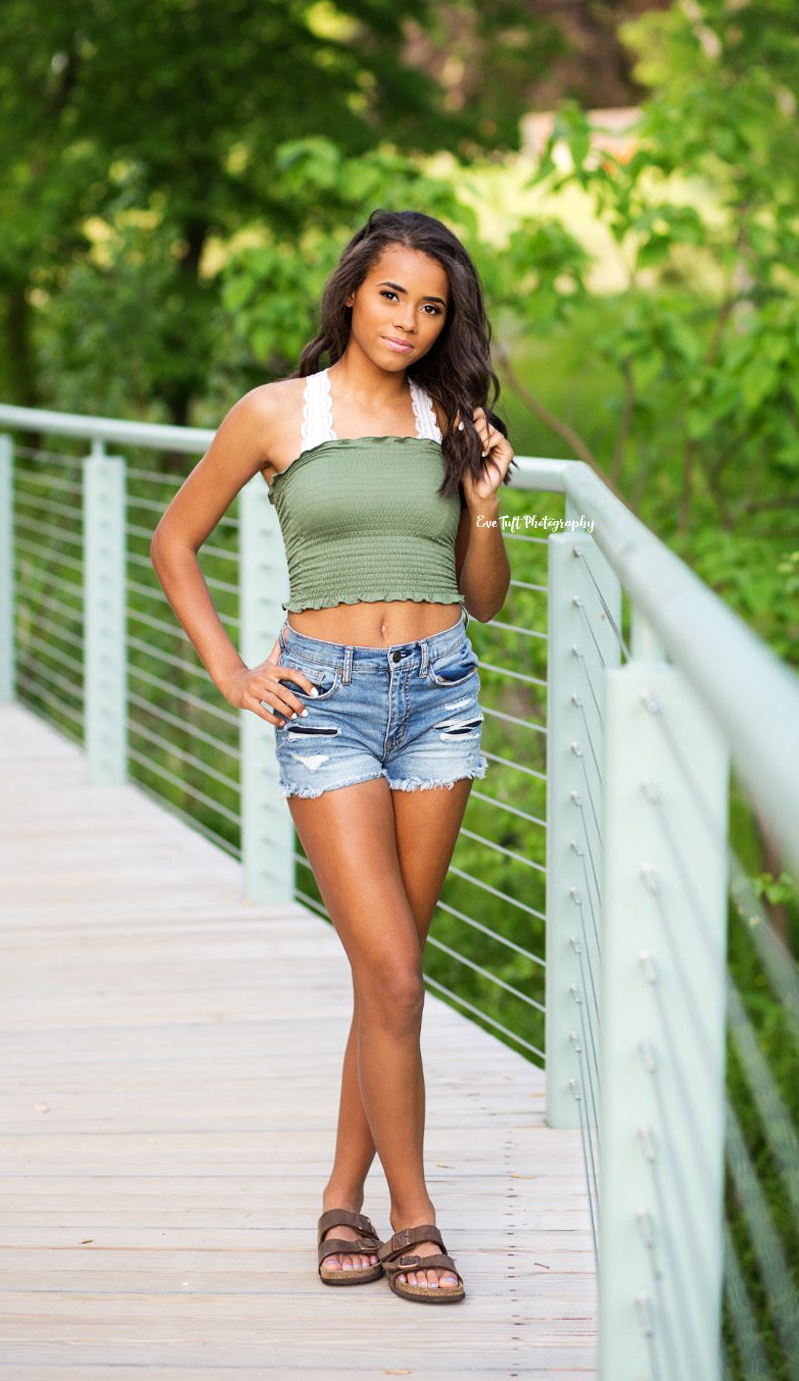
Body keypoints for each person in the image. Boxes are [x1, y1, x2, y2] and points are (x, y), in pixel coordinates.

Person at [148, 208, 516, 1304]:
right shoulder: (275, 414)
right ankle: (415, 1220)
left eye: (431, 306)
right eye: (392, 294)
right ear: (352, 292)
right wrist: (229, 670)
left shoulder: (452, 417)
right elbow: (175, 538)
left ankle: (339, 1196)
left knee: (385, 971)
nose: (408, 320)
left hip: (439, 696)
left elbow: (485, 599)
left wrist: (487, 506)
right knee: (395, 973)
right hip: (329, 705)